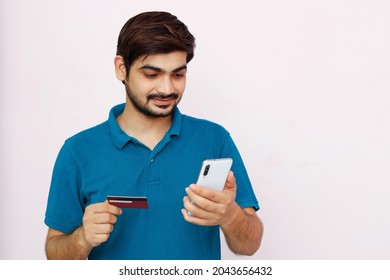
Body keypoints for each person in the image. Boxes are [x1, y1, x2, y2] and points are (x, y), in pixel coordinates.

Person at [44, 11, 263, 260]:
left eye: (178, 74)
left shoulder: (215, 139)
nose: (167, 88)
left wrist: (230, 216)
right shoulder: (77, 152)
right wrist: (82, 238)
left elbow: (250, 245)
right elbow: (54, 254)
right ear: (121, 68)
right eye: (152, 75)